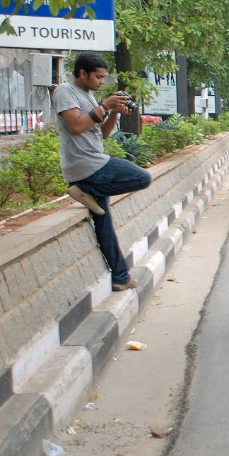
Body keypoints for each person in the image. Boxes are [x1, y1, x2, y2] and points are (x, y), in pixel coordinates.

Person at [53, 51, 152, 292]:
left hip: (95, 160)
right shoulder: (65, 91)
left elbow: (103, 134)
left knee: (104, 225)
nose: (101, 82)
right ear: (82, 73)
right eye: (98, 77)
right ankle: (84, 187)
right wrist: (105, 105)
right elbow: (76, 126)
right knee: (143, 177)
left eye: (104, 77)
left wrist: (115, 111)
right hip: (88, 165)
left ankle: (120, 277)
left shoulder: (89, 97)